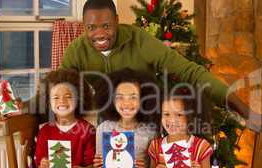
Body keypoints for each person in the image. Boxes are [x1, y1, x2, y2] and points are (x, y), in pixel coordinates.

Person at [60, 0, 261, 132]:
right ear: (84, 26)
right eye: (91, 28)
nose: (99, 34)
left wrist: (245, 110)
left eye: (106, 26)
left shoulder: (140, 41)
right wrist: (29, 108)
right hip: (109, 120)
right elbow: (58, 87)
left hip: (147, 117)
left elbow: (190, 72)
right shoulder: (76, 51)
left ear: (117, 21)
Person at [93, 68, 159, 168]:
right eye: (120, 97)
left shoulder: (151, 132)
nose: (126, 103)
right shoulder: (103, 129)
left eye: (133, 97)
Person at [34, 69, 96, 168]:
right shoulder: (44, 132)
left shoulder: (88, 130)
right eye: (56, 98)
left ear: (79, 99)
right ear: (48, 102)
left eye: (68, 96)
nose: (62, 101)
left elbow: (93, 166)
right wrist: (44, 165)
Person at [148, 86, 212, 168]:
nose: (172, 120)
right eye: (166, 114)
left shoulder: (201, 147)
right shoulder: (155, 146)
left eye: (179, 114)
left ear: (190, 116)